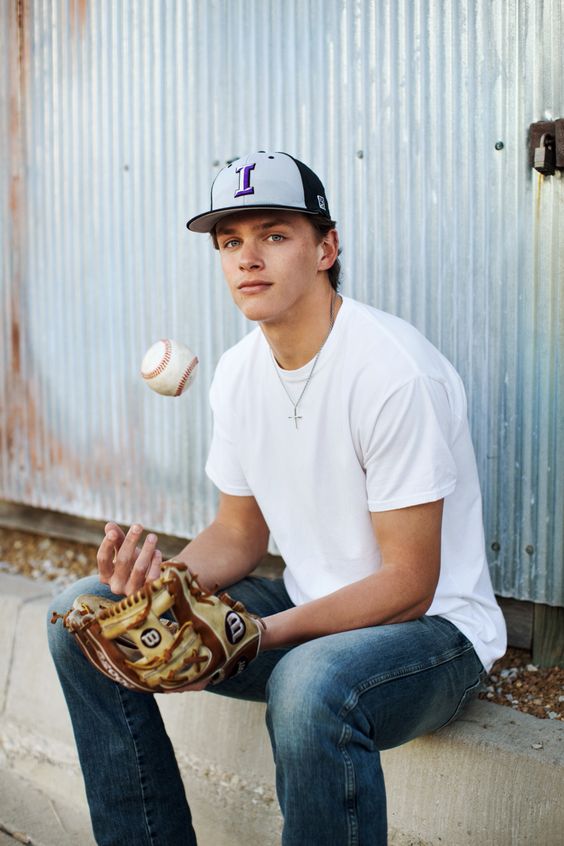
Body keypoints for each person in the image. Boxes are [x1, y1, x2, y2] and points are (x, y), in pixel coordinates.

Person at [48, 150, 506, 846]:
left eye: (273, 234)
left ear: (326, 247)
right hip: (310, 607)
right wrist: (159, 586)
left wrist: (261, 635)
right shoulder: (237, 374)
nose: (247, 258)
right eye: (230, 242)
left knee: (306, 684)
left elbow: (411, 584)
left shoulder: (391, 372)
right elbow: (239, 535)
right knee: (80, 616)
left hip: (433, 635)